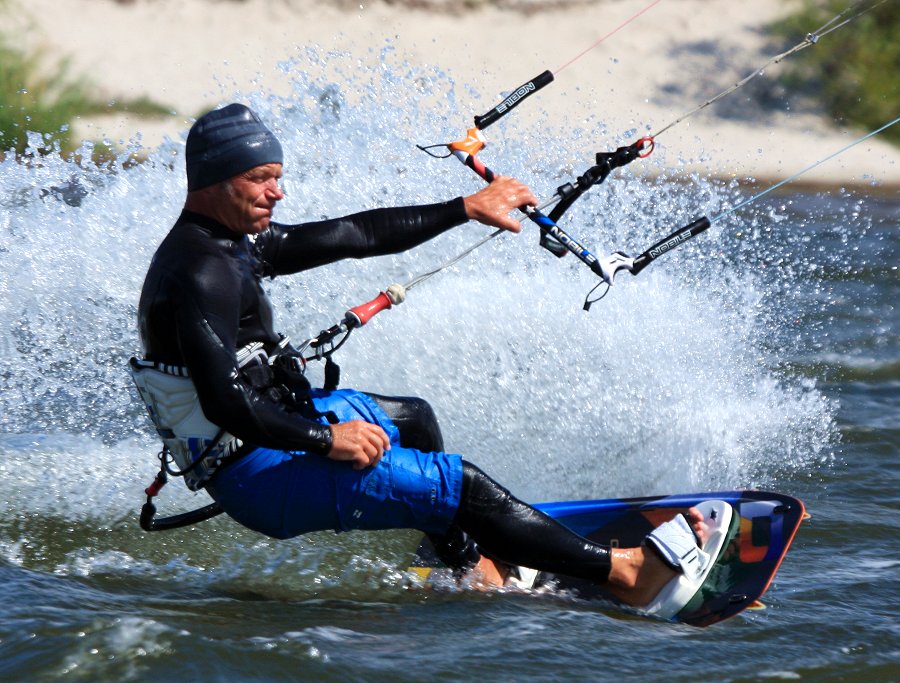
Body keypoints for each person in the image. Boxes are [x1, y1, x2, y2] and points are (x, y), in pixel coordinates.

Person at [133, 103, 712, 610]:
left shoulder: (234, 242)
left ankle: (469, 564)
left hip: (276, 428)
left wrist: (467, 206)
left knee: (412, 417)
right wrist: (327, 441)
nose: (277, 193)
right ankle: (628, 575)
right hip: (257, 471)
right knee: (464, 486)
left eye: (278, 178)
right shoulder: (201, 269)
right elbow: (223, 401)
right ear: (212, 181)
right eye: (261, 179)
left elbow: (356, 234)